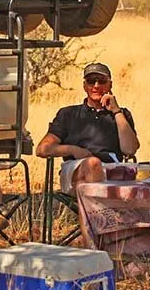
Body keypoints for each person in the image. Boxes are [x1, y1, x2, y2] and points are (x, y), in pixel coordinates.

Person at [36, 62, 140, 194]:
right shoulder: (69, 114)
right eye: (91, 81)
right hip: (76, 169)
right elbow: (42, 149)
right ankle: (99, 212)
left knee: (87, 183)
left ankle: (90, 213)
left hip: (111, 171)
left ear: (110, 85)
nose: (96, 86)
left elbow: (130, 149)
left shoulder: (122, 115)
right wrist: (73, 150)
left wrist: (116, 111)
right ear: (84, 86)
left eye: (102, 81)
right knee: (92, 164)